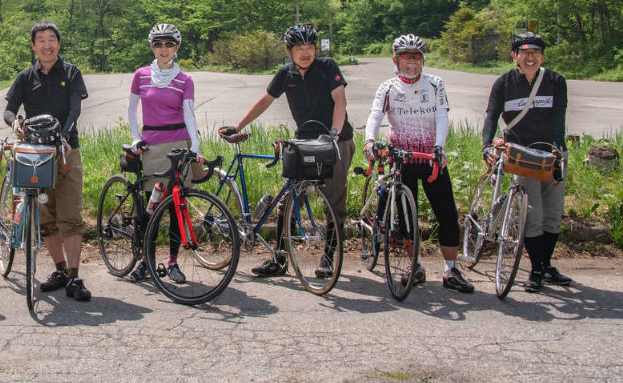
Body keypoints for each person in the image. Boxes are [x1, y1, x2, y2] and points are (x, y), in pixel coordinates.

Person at [219, 23, 355, 277]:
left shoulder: (327, 67)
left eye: (310, 47)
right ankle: (279, 259)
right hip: (303, 143)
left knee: (334, 203)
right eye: (299, 48)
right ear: (289, 51)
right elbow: (265, 100)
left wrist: (335, 133)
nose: (305, 53)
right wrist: (238, 126)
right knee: (289, 201)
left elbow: (340, 100)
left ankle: (328, 257)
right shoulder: (286, 74)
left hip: (336, 142)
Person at [364, 33, 474, 293]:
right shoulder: (388, 87)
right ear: (396, 60)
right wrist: (369, 140)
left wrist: (439, 146)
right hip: (403, 159)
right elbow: (375, 114)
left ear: (423, 60)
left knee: (447, 214)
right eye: (406, 57)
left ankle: (451, 270)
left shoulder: (435, 84)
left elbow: (441, 116)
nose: (412, 62)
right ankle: (416, 266)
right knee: (406, 219)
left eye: (417, 57)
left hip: (431, 157)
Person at [3, 22, 91, 302]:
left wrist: (63, 136)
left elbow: (75, 108)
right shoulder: (25, 77)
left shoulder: (71, 73)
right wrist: (15, 123)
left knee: (71, 217)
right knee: (47, 217)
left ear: (58, 44)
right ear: (33, 46)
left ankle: (75, 276)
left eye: (52, 39)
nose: (47, 45)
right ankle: (60, 269)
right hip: (35, 155)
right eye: (40, 40)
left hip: (66, 151)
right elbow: (9, 110)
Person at [481, 31, 570, 292]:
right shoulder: (504, 83)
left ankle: (544, 265)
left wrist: (557, 149)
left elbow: (559, 119)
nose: (530, 57)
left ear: (543, 56)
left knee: (553, 214)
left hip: (552, 154)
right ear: (514, 55)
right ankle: (536, 270)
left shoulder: (555, 81)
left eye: (535, 53)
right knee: (534, 214)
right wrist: (487, 146)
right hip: (522, 154)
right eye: (524, 52)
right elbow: (491, 116)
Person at [126, 23, 205, 284]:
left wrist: (195, 144)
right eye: (158, 44)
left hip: (178, 144)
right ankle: (145, 261)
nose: (163, 49)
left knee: (175, 208)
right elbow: (131, 110)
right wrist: (135, 138)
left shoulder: (185, 79)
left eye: (169, 44)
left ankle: (172, 261)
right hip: (152, 145)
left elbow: (189, 113)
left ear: (177, 47)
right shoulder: (141, 75)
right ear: (152, 47)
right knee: (151, 209)